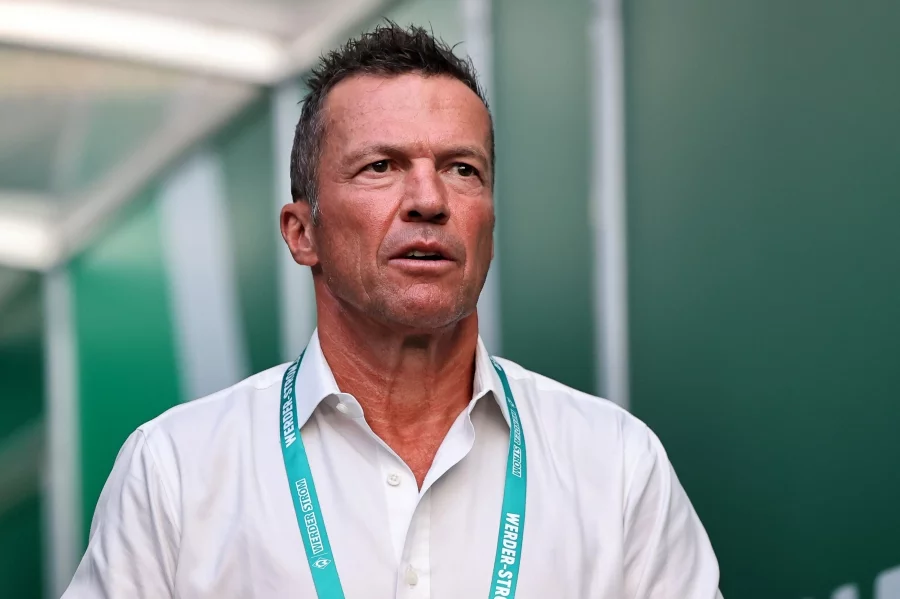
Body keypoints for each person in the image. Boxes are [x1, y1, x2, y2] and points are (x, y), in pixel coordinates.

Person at [62, 23, 722, 599]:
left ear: (490, 225)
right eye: (381, 166)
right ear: (302, 233)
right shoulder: (177, 473)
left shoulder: (616, 466)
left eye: (462, 169)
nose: (429, 200)